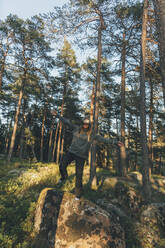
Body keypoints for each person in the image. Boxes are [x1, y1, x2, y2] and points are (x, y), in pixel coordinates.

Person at [52, 110, 124, 198]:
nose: (85, 125)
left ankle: (78, 194)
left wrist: (115, 142)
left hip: (81, 156)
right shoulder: (76, 129)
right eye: (84, 124)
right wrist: (57, 115)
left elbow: (104, 139)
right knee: (62, 166)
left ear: (89, 125)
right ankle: (64, 177)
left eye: (87, 124)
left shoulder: (92, 134)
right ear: (82, 124)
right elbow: (66, 122)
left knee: (79, 175)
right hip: (71, 152)